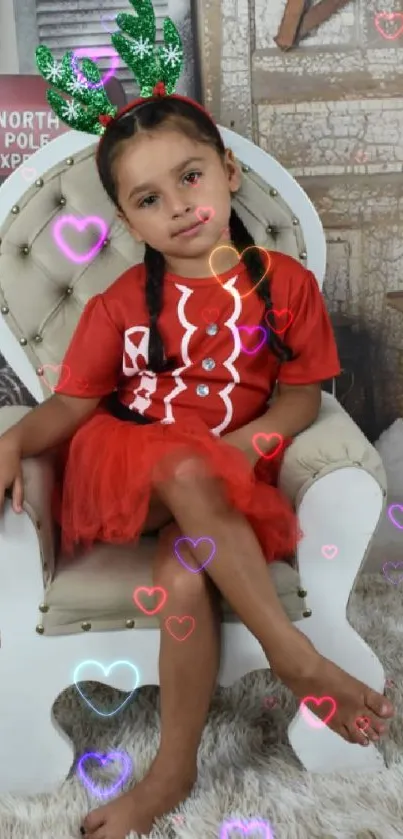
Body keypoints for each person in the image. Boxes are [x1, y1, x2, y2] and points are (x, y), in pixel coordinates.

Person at [0, 13, 394, 839]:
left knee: (186, 576)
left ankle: (168, 773)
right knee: (182, 466)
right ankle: (296, 657)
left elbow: (296, 397)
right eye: (149, 198)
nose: (178, 206)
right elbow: (73, 408)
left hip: (215, 492)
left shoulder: (282, 285)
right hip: (127, 477)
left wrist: (243, 447)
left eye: (190, 177)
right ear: (128, 219)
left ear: (223, 172)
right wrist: (11, 439)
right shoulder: (117, 305)